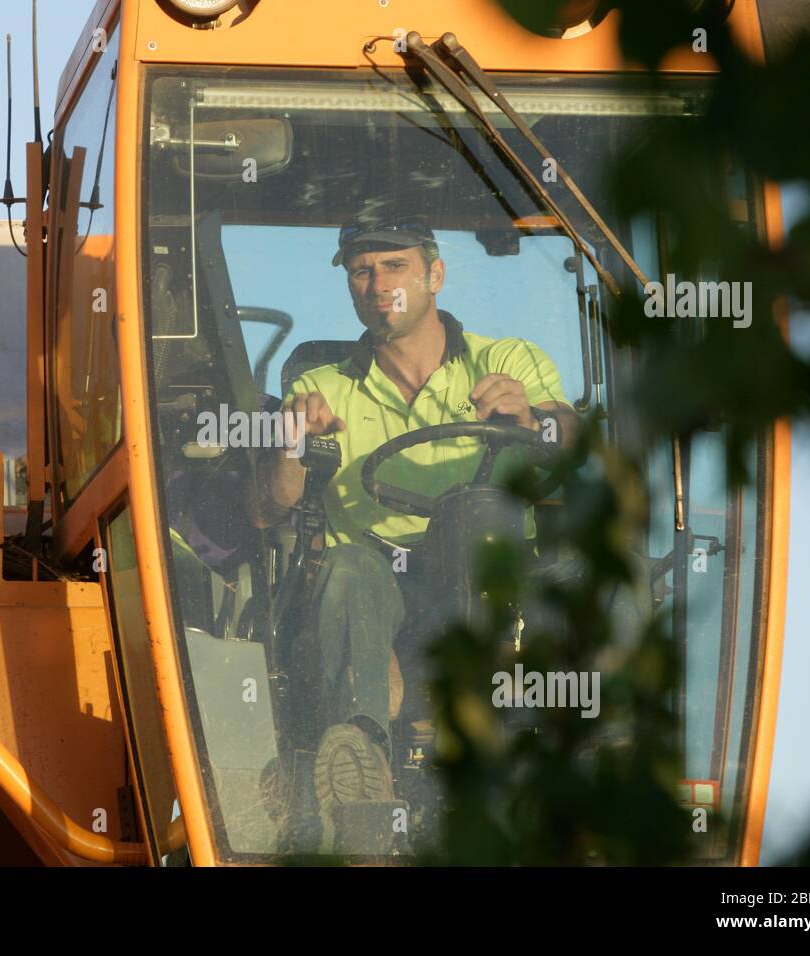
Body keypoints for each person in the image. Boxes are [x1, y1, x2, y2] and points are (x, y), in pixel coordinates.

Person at [247, 205, 580, 840]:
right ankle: (360, 757)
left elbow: (569, 439)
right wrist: (292, 446)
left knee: (553, 552)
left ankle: (601, 747)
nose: (376, 286)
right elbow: (267, 510)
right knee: (348, 564)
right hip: (378, 586)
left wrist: (531, 420)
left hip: (492, 576)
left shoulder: (506, 361)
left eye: (394, 266)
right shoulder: (320, 387)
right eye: (360, 272)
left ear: (436, 275)